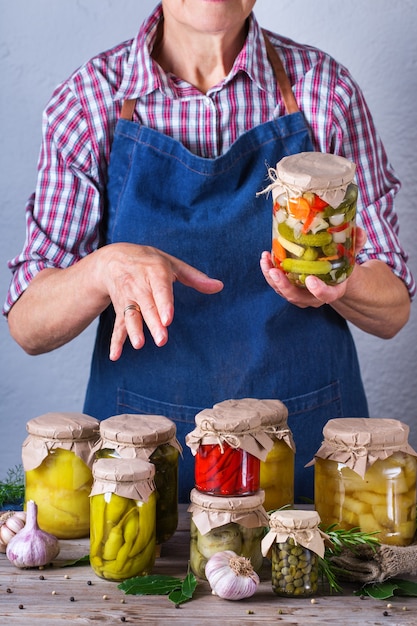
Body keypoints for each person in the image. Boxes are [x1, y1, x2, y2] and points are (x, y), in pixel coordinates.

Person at [4, 1, 414, 503]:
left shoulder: (325, 92)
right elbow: (27, 324)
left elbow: (393, 308)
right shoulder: (89, 102)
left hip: (308, 473)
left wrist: (339, 285)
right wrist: (102, 269)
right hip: (140, 481)